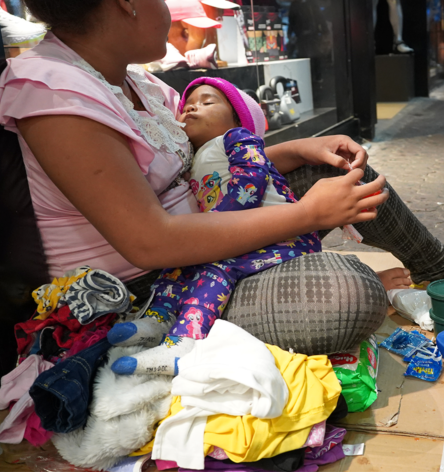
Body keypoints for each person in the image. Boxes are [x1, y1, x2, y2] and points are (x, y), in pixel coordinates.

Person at [0, 0, 444, 358]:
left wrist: (295, 150)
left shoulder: (135, 80)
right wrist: (308, 213)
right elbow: (150, 244)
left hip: (205, 231)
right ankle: (305, 275)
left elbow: (207, 168)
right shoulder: (55, 94)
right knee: (350, 293)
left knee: (342, 170)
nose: (169, 7)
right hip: (148, 292)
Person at [109, 78, 335, 375]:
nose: (192, 106)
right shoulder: (191, 161)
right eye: (188, 104)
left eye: (207, 102)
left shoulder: (237, 138)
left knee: (217, 269)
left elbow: (252, 179)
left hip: (283, 237)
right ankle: (158, 317)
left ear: (236, 118)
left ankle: (184, 341)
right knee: (176, 265)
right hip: (236, 233)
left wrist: (214, 224)